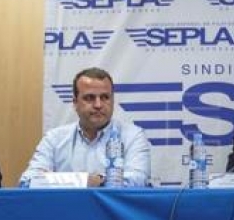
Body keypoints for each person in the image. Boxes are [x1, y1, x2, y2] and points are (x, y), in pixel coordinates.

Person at [20, 67, 150, 187]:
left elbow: (138, 180)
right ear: (75, 103)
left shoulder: (133, 136)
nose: (98, 105)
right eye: (90, 98)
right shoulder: (54, 139)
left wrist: (97, 180)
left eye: (105, 97)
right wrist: (85, 180)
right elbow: (28, 181)